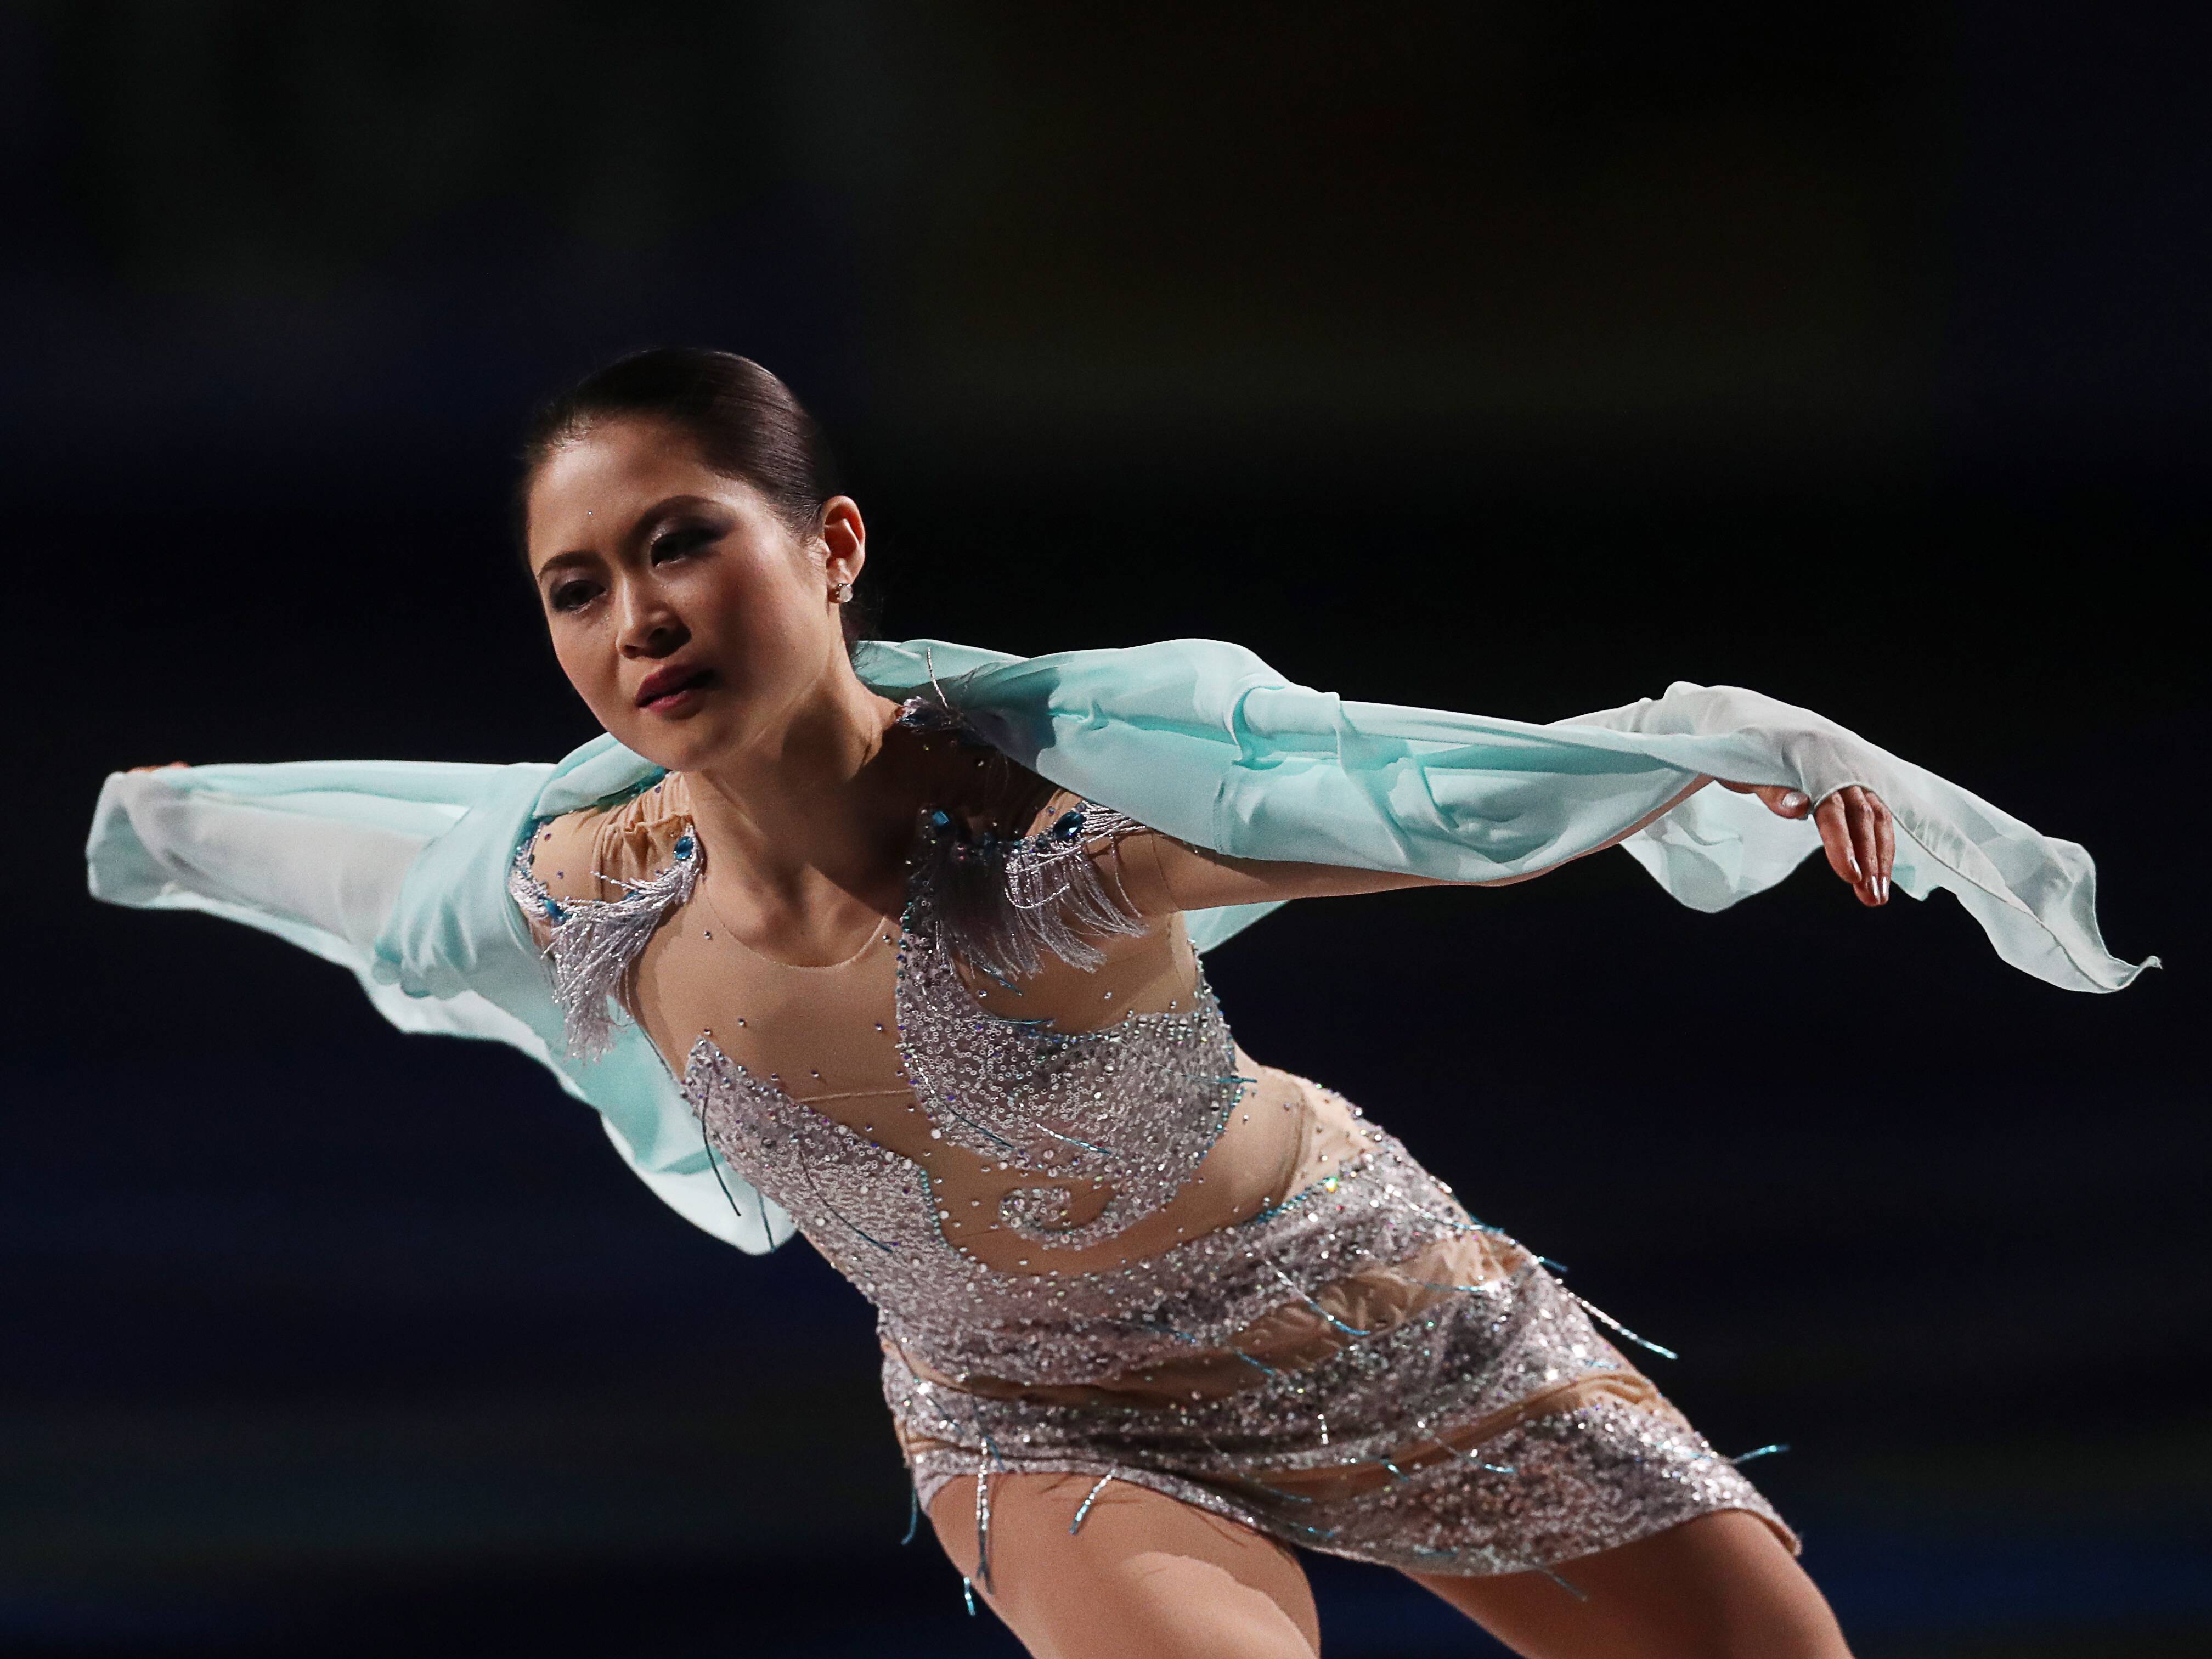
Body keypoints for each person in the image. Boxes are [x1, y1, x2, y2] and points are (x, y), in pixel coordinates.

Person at [88, 349, 2150, 1659]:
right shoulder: (584, 896)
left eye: (681, 546)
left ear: (830, 546)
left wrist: (1721, 766)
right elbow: (381, 874)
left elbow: (1414, 804)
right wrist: (168, 824)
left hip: (1371, 1313)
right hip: (1032, 1414)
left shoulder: (1049, 833)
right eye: (577, 585)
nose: (638, 619)